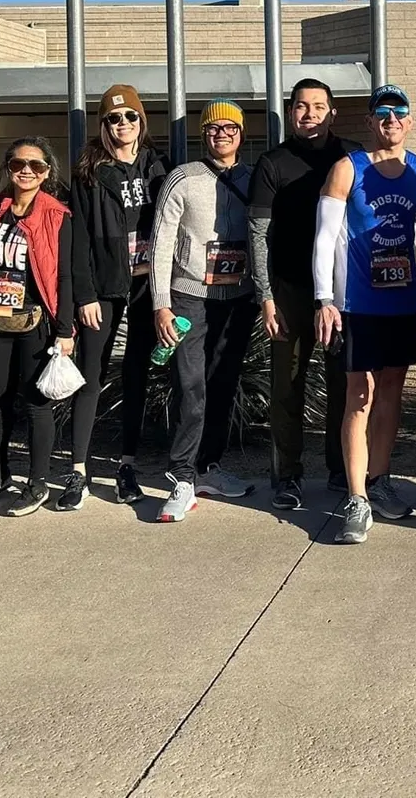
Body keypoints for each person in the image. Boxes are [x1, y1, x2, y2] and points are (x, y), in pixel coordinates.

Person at [313, 84, 416, 544]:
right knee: (357, 396)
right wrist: (325, 298)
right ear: (369, 122)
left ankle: (379, 480)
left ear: (409, 120)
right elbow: (325, 239)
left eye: (399, 111)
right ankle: (355, 496)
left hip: (404, 303)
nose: (391, 118)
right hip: (358, 305)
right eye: (381, 112)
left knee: (390, 393)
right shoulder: (348, 169)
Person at [248, 78, 358, 510]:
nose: (309, 113)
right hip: (290, 291)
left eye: (318, 106)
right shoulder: (273, 162)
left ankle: (339, 468)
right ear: (290, 112)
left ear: (332, 112)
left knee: (342, 384)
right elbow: (258, 234)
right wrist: (266, 295)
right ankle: (288, 476)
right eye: (300, 106)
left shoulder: (351, 157)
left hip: (341, 293)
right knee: (287, 386)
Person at [149, 100, 259, 523]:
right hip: (189, 296)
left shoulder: (252, 179)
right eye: (213, 129)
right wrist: (161, 304)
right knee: (190, 385)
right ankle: (180, 476)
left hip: (237, 299)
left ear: (241, 135)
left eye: (230, 129)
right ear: (203, 135)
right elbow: (160, 244)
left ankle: (209, 467)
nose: (222, 135)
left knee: (222, 383)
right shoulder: (183, 178)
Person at [0, 137, 79, 516]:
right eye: (18, 164)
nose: (26, 171)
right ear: (8, 168)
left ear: (48, 171)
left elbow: (64, 276)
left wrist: (65, 330)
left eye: (36, 165)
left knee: (37, 403)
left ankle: (38, 482)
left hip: (37, 322)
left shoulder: (55, 214)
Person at [70, 84, 168, 507]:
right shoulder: (89, 171)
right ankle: (77, 470)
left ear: (141, 121)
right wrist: (84, 293)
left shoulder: (159, 166)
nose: (123, 124)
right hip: (104, 286)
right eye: (113, 117)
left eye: (130, 116)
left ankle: (126, 465)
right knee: (89, 377)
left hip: (148, 284)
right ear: (103, 124)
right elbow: (77, 240)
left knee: (136, 376)